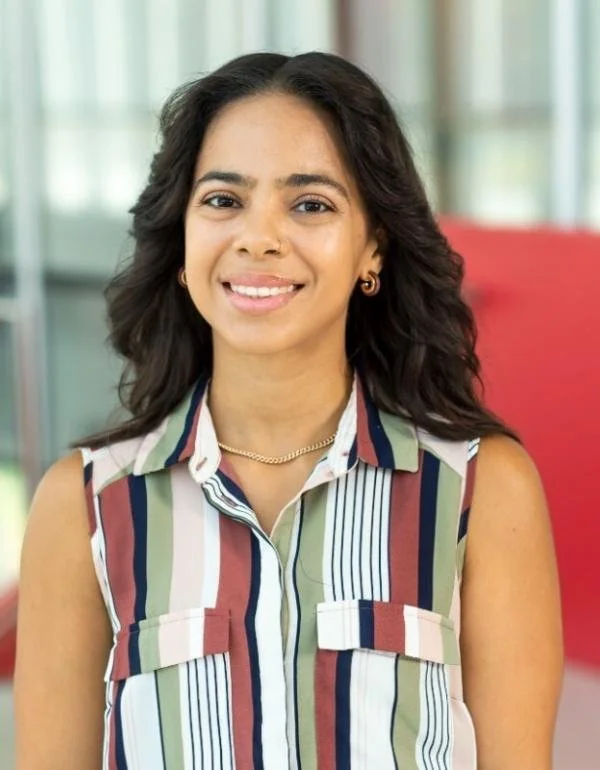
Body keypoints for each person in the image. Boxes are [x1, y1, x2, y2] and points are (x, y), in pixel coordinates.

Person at [13, 52, 562, 770]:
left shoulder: (481, 491)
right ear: (181, 246)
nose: (259, 237)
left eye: (310, 204)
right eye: (222, 200)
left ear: (373, 248)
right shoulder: (85, 504)